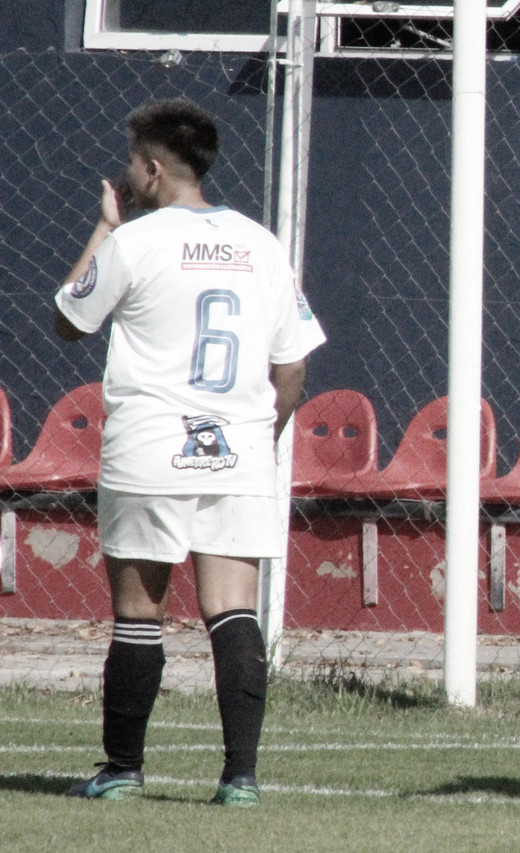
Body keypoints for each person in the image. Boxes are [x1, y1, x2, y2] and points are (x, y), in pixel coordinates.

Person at [54, 98, 325, 806]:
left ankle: (122, 767)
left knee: (139, 608)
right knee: (233, 608)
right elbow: (292, 368)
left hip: (150, 446)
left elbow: (68, 319)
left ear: (150, 169)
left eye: (131, 164)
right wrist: (260, 436)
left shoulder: (134, 242)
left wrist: (106, 224)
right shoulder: (262, 245)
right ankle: (240, 776)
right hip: (237, 448)